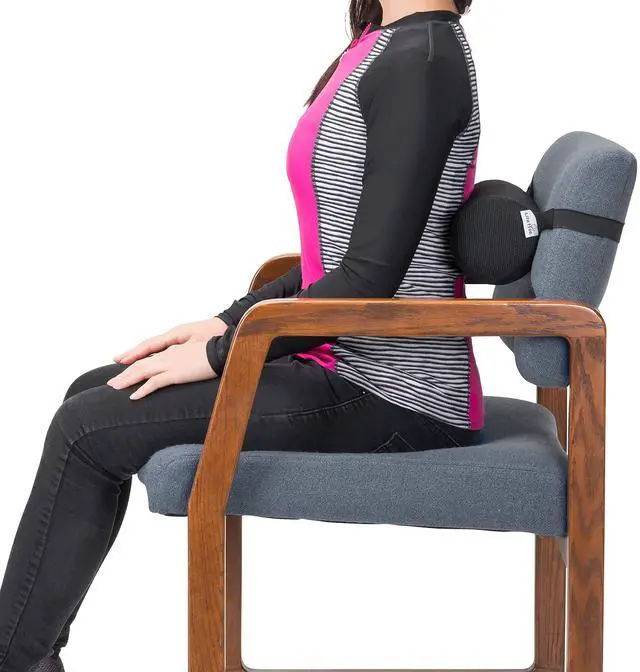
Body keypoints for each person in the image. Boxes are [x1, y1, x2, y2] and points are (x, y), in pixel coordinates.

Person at [0, 1, 480, 670]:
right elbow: (333, 260)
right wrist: (228, 321)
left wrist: (224, 353)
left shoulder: (422, 60)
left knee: (85, 429)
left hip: (395, 390)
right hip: (340, 358)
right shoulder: (388, 42)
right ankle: (28, 655)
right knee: (93, 393)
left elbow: (369, 280)